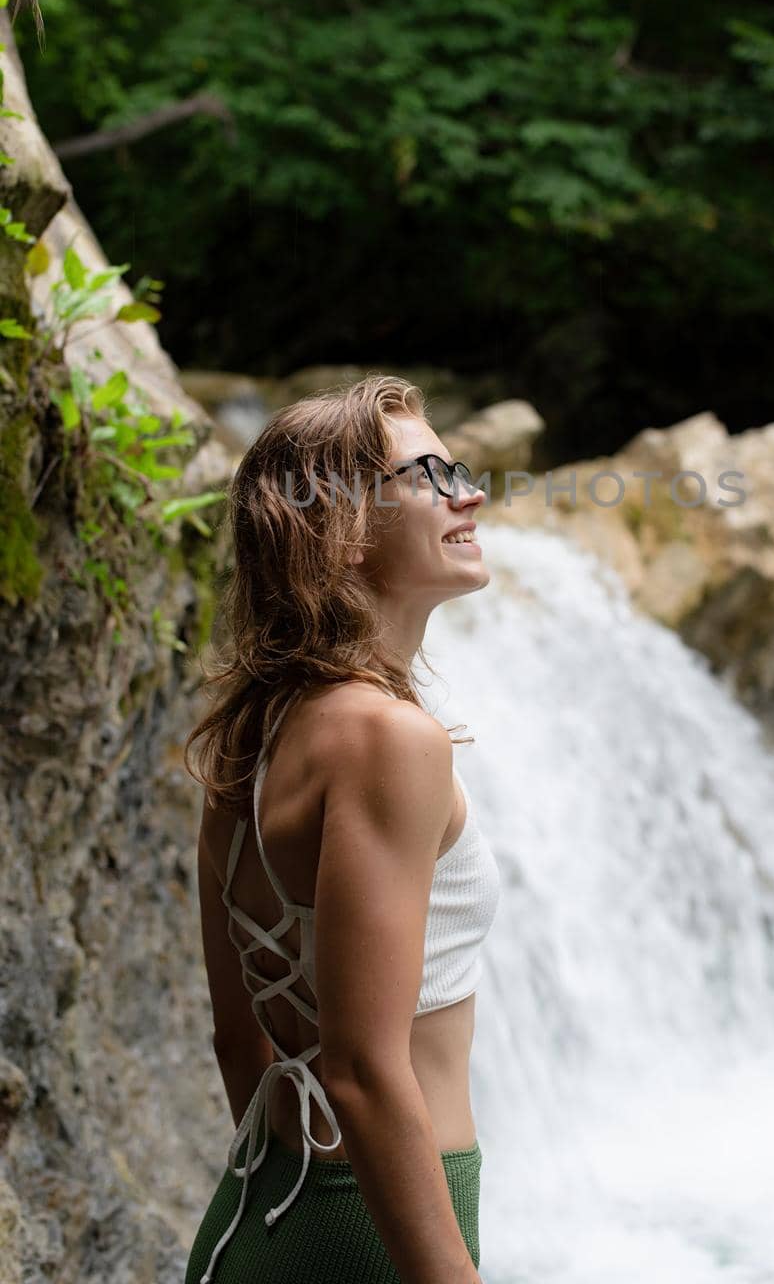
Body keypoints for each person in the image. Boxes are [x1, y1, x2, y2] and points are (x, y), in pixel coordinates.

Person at [182, 373, 501, 1284]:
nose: (468, 492)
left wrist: (299, 1210)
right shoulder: (389, 739)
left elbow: (238, 1039)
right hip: (370, 1236)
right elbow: (361, 1068)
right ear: (343, 530)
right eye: (428, 476)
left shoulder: (253, 732)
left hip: (261, 1208)